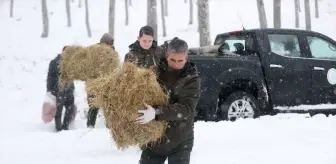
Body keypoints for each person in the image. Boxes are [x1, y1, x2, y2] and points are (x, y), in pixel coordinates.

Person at [135, 38, 201, 164]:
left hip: (180, 140)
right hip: (155, 139)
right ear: (167, 56)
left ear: (186, 58)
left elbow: (185, 108)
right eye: (172, 60)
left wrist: (156, 113)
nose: (176, 64)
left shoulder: (192, 79)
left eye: (180, 61)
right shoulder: (155, 72)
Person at [86, 33, 115, 128]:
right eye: (108, 44)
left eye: (111, 44)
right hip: (94, 85)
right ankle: (90, 127)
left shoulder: (113, 53)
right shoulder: (94, 52)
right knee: (93, 107)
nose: (109, 46)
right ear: (102, 43)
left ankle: (109, 127)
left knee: (109, 107)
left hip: (108, 85)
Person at [46, 46, 76, 131]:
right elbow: (50, 77)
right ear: (63, 52)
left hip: (69, 90)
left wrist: (73, 88)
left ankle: (65, 127)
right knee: (58, 111)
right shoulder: (54, 62)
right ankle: (58, 129)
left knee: (70, 109)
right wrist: (49, 90)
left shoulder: (71, 64)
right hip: (59, 91)